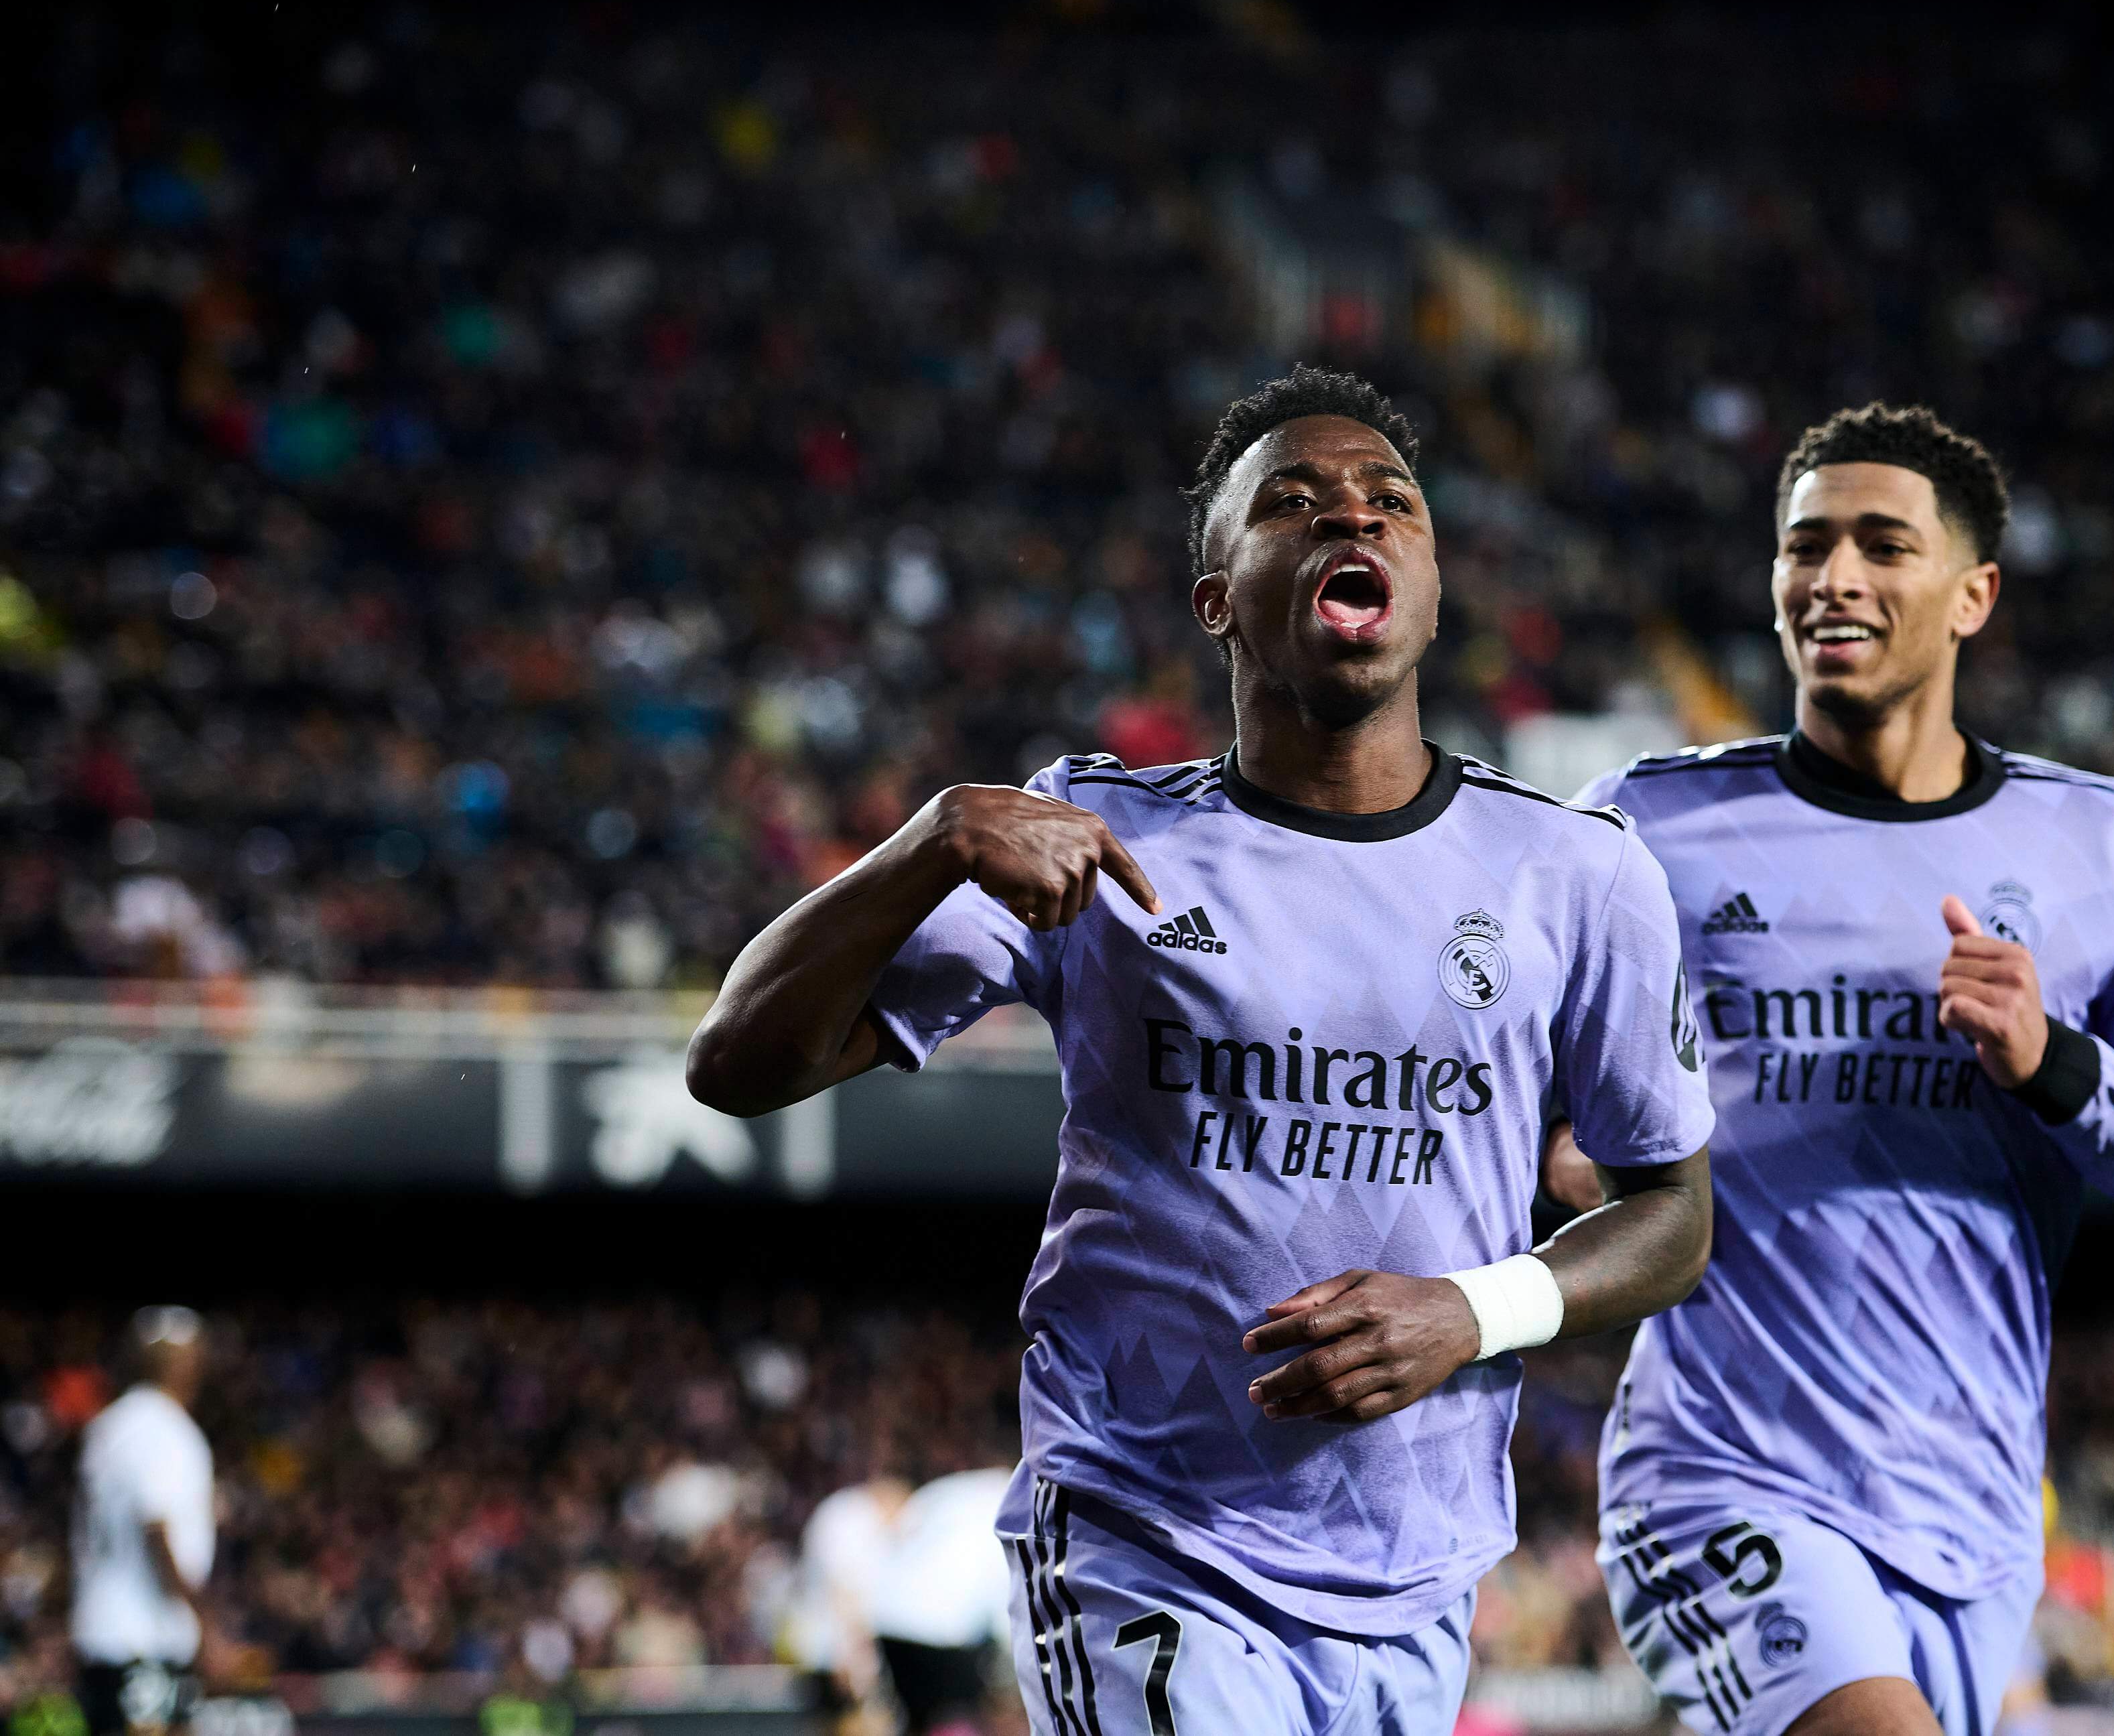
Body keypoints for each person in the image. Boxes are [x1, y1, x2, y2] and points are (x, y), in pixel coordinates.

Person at [689, 366, 1717, 1736]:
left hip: (1415, 1570)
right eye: (1292, 502)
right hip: (1142, 1535)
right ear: (1218, 595)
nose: (1349, 517)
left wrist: (1472, 1311)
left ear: (1427, 580)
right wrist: (932, 837)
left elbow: (1673, 1213)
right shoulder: (1103, 839)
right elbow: (737, 1062)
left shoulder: (1574, 873)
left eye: (1388, 501)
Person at [1550, 403, 2114, 1736]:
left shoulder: (2108, 846)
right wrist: (1577, 1155)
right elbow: (1514, 1108)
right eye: (1803, 544)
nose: (1829, 576)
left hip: (1972, 1512)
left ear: (1970, 595)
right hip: (1722, 1472)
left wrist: (2052, 1063)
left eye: (1881, 545)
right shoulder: (1640, 825)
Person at [71, 1308, 215, 1736]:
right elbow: (155, 1528)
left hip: (105, 1635)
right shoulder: (164, 1428)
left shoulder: (109, 1426)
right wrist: (201, 1616)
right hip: (146, 1639)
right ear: (184, 1363)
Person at [868, 1467, 1014, 1736]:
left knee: (915, 1719)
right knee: (959, 1714)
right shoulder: (1010, 1505)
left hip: (889, 1619)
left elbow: (898, 1536)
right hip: (945, 1632)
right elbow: (1002, 1593)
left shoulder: (948, 1490)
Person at [793, 1474, 911, 1736]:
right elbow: (845, 1593)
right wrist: (856, 1661)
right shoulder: (853, 1518)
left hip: (824, 1649)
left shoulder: (843, 1512)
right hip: (838, 1653)